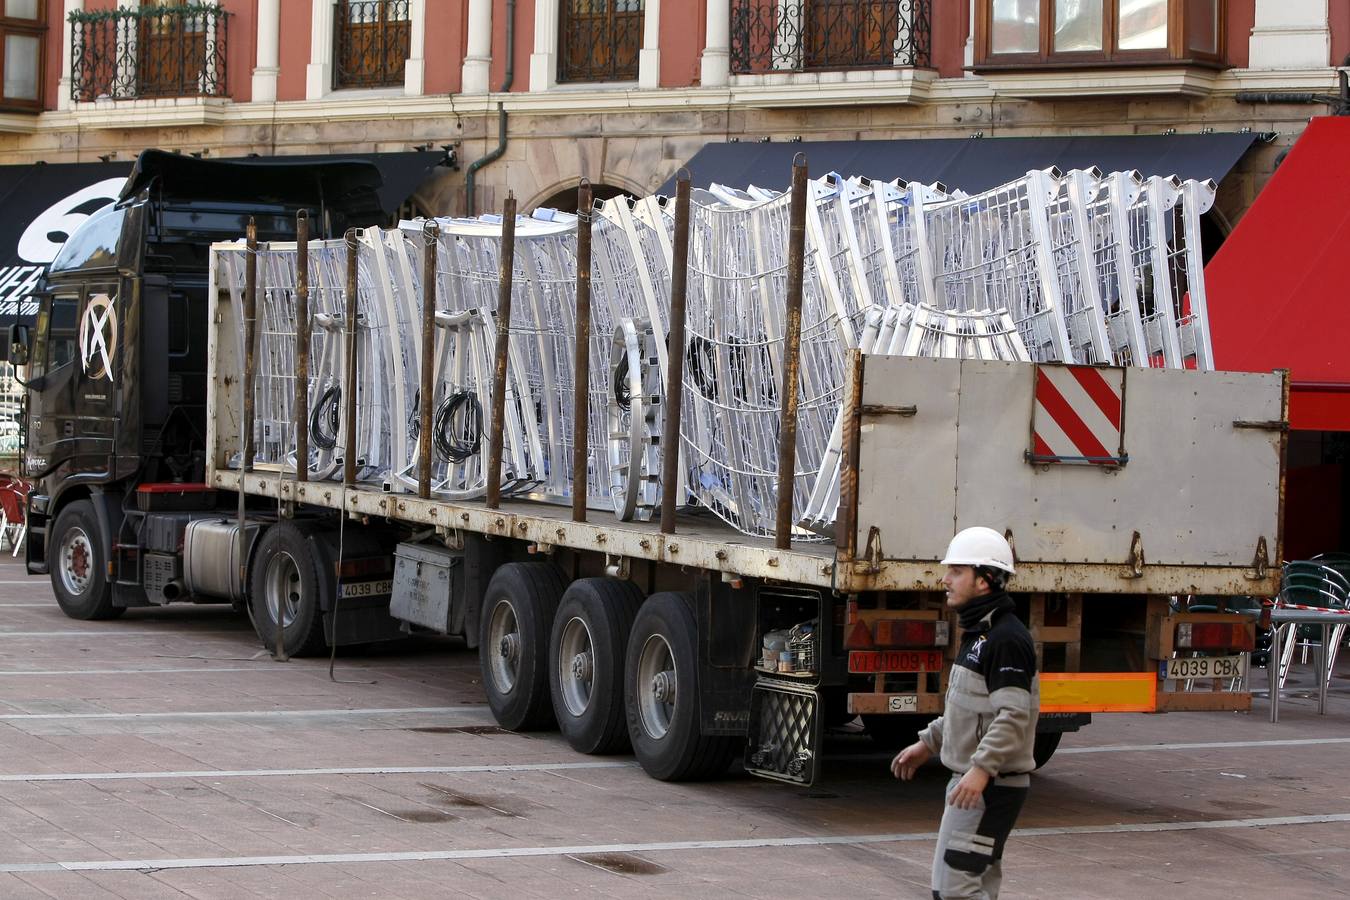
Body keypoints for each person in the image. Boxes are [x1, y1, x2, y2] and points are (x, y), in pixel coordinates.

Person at [891, 526, 1040, 900]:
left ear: (985, 580)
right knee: (978, 884)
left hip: (990, 786)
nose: (945, 579)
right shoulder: (980, 634)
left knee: (955, 889)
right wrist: (929, 743)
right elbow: (969, 708)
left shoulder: (1006, 639)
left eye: (957, 571)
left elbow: (1013, 716)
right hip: (980, 783)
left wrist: (980, 770)